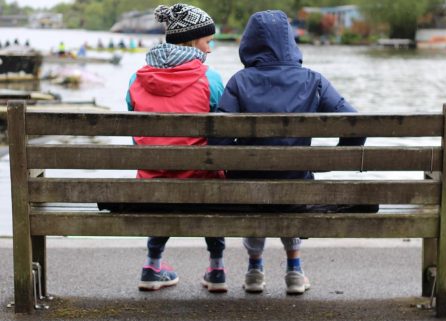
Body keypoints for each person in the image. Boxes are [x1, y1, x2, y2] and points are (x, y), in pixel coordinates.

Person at [211, 10, 368, 295]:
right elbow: (355, 124)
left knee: (253, 182)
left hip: (248, 192)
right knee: (296, 180)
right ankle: (294, 270)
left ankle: (254, 271)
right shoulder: (313, 80)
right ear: (290, 42)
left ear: (249, 43)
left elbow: (218, 140)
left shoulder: (239, 81)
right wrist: (338, 157)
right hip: (296, 192)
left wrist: (240, 163)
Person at [99, 3, 226, 293]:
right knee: (213, 174)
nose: (210, 49)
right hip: (201, 184)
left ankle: (152, 265)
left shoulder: (136, 79)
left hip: (152, 183)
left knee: (161, 175)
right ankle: (217, 268)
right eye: (208, 41)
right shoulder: (211, 79)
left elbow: (137, 135)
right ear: (194, 41)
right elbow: (221, 132)